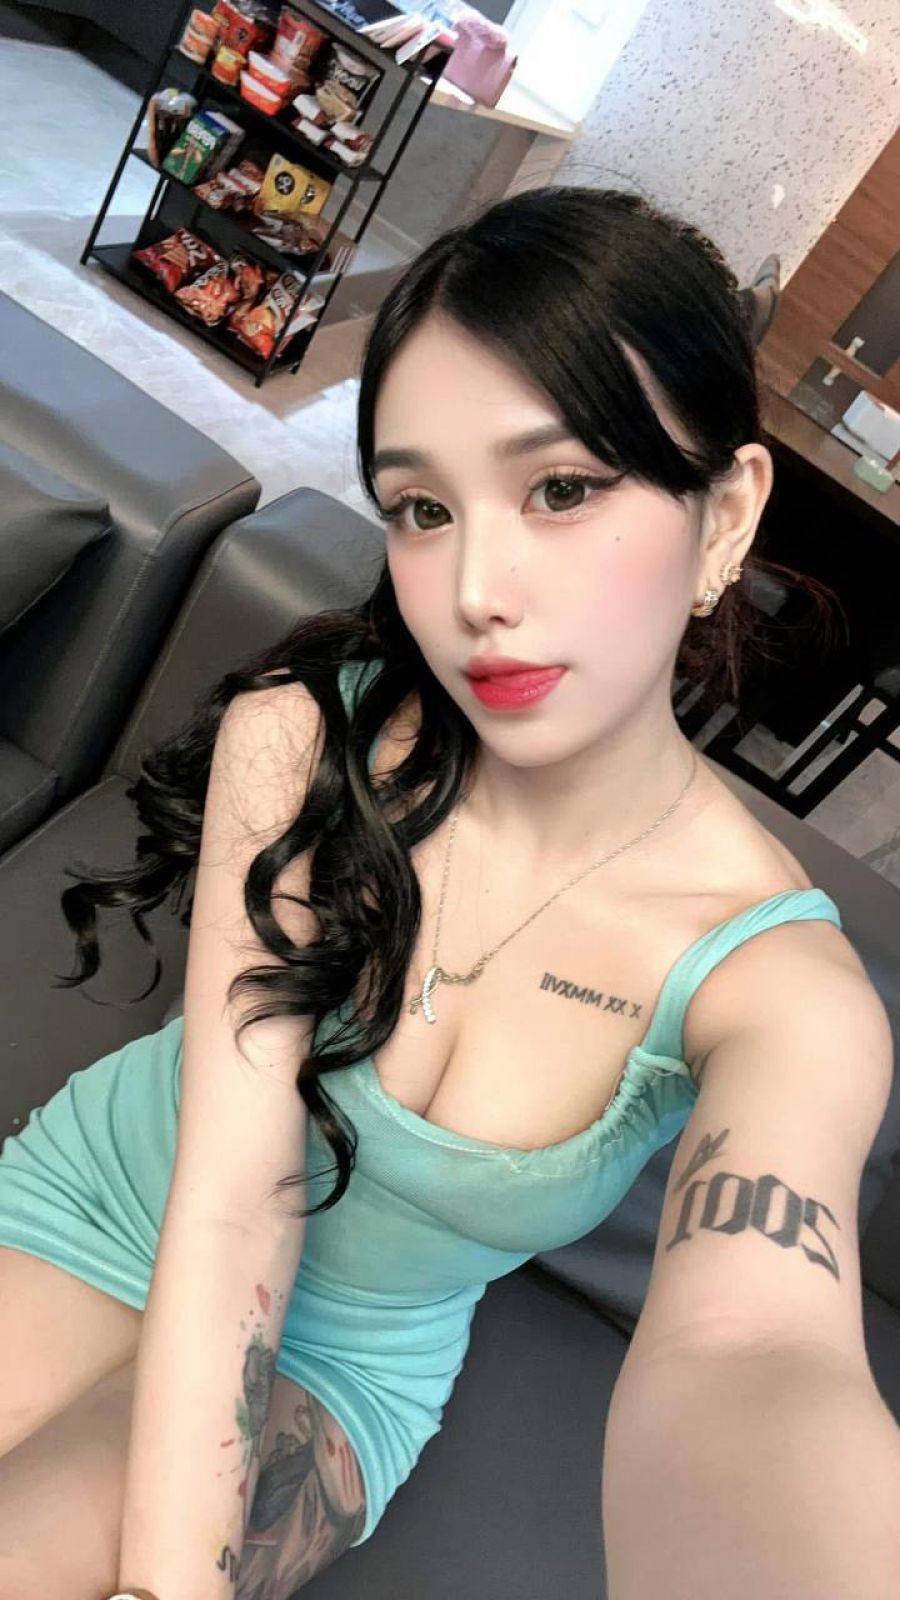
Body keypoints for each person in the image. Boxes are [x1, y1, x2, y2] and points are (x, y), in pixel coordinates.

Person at [0, 186, 883, 1600]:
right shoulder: (302, 738)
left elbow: (756, 1350)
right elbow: (235, 1194)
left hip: (344, 1369)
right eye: (422, 507)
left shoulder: (779, 987)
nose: (475, 589)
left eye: (561, 488)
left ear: (726, 516)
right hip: (102, 1197)